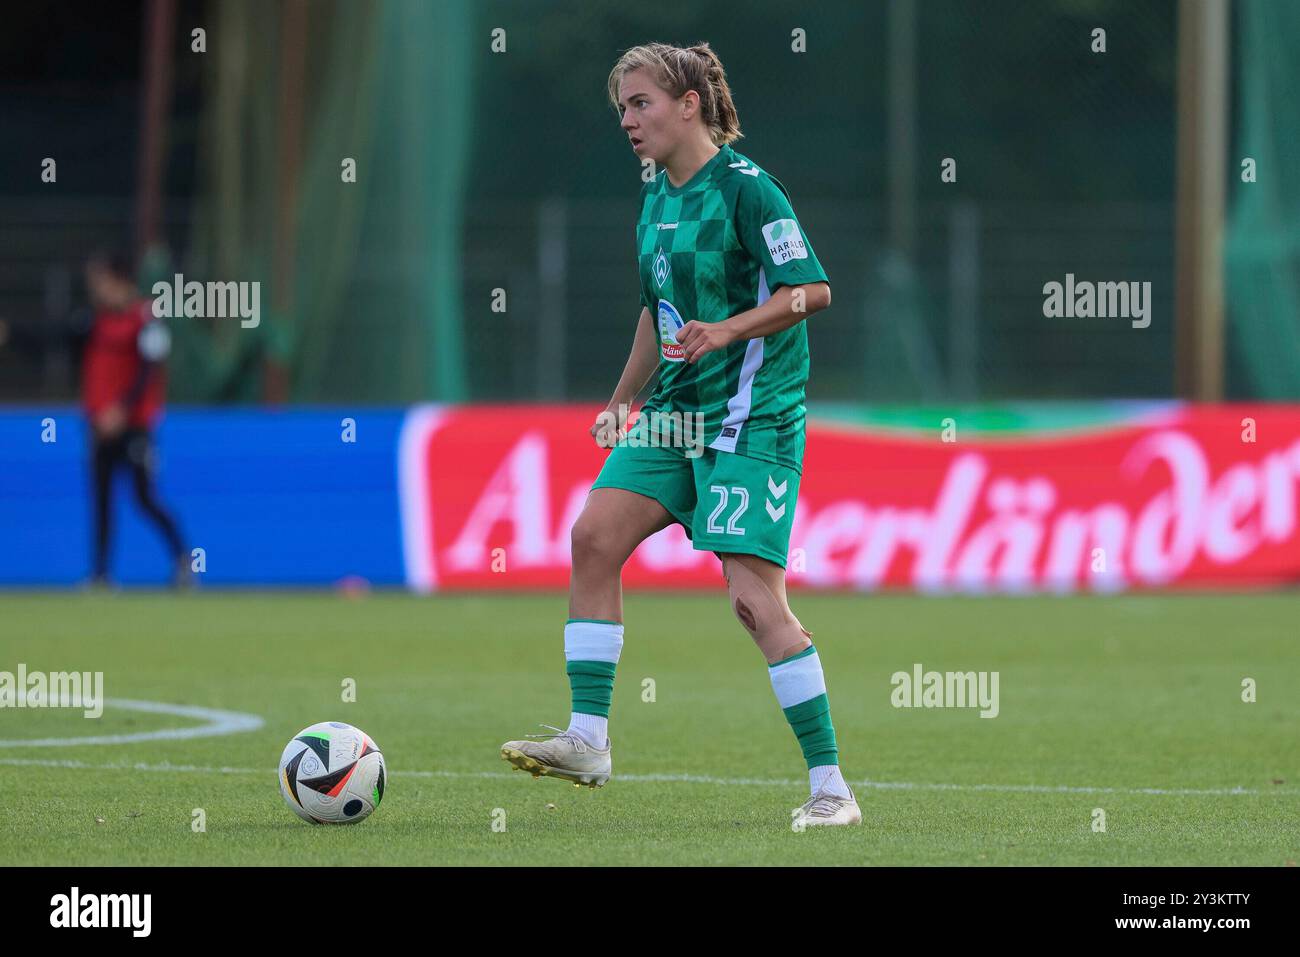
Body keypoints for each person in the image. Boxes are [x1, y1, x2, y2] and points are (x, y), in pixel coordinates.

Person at [500, 43, 858, 827]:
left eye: (641, 104)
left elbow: (814, 291)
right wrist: (625, 399)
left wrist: (730, 329)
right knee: (593, 537)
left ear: (688, 104)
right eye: (622, 108)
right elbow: (652, 311)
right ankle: (588, 738)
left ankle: (832, 788)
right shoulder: (654, 196)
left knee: (754, 605)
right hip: (674, 412)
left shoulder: (748, 191)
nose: (628, 121)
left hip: (751, 415)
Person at [82, 248, 188, 587]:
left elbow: (148, 371)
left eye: (102, 283)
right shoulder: (95, 321)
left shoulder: (147, 318)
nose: (97, 290)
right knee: (101, 501)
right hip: (99, 427)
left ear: (120, 281)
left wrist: (121, 410)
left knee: (144, 498)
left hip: (135, 427)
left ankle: (184, 561)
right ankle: (100, 576)